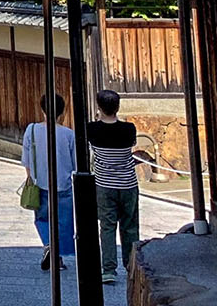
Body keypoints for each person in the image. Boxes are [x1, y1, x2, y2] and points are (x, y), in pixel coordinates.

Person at [87, 89, 142, 285]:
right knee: (130, 226)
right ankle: (131, 264)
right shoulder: (129, 129)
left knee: (107, 226)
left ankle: (108, 269)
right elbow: (132, 146)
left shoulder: (91, 129)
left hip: (104, 184)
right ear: (118, 107)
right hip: (128, 183)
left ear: (99, 107)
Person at [21, 93, 75, 271]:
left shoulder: (32, 130)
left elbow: (27, 159)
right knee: (63, 221)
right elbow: (75, 162)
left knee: (43, 218)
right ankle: (58, 256)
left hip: (40, 181)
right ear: (62, 112)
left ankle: (48, 245)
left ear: (42, 109)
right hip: (63, 183)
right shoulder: (69, 134)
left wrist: (30, 176)